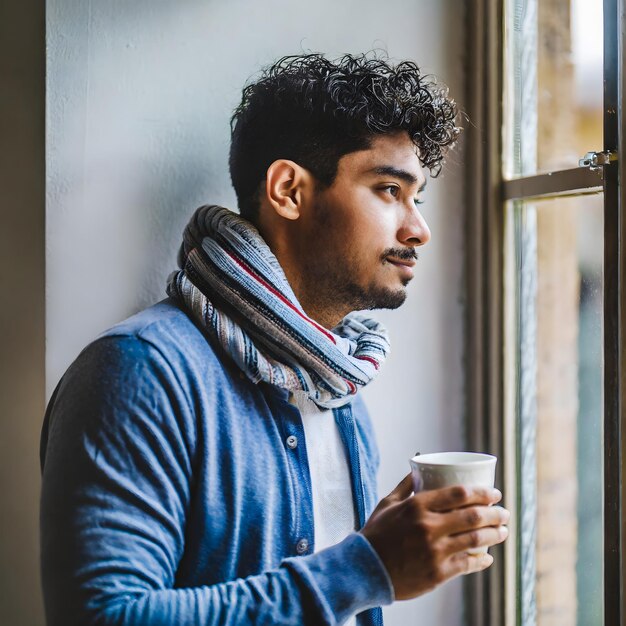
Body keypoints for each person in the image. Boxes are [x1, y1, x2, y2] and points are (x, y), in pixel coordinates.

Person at [40, 53, 510, 626]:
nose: (419, 229)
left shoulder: (341, 381)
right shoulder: (138, 373)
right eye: (389, 189)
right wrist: (367, 568)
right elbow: (104, 617)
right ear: (288, 191)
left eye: (418, 199)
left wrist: (383, 558)